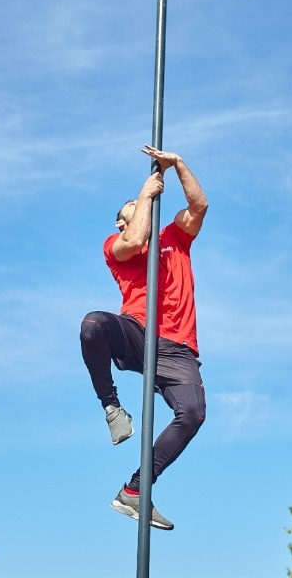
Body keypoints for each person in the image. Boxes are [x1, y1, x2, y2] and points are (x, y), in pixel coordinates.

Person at [80, 143, 208, 531]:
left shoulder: (175, 237)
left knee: (193, 413)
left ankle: (135, 492)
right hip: (137, 332)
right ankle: (111, 407)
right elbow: (134, 241)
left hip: (178, 347)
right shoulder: (116, 246)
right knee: (92, 324)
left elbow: (199, 207)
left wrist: (179, 165)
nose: (120, 224)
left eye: (126, 217)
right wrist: (144, 195)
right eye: (119, 219)